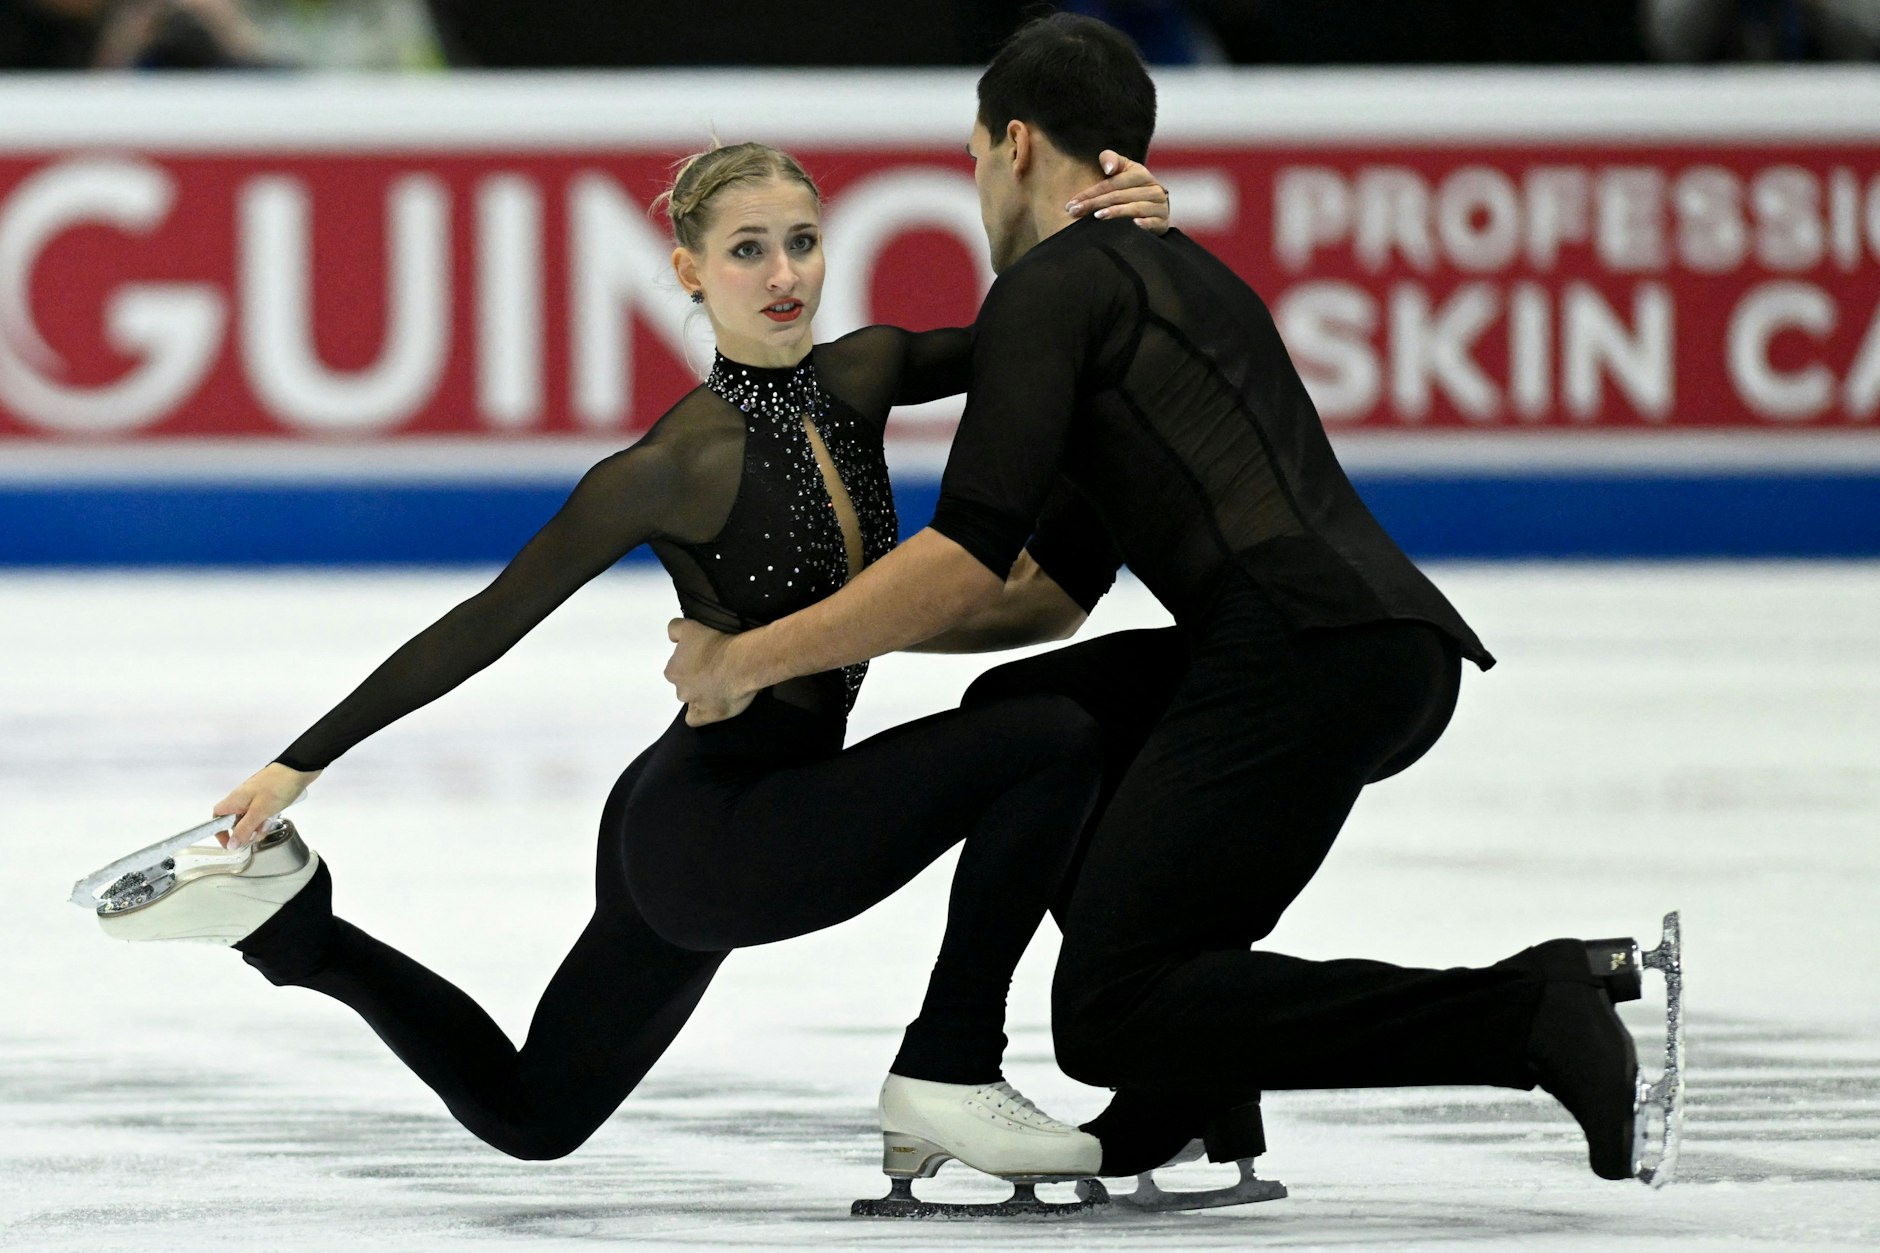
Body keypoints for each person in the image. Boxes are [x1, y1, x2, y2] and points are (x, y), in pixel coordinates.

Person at [664, 13, 1667, 1187]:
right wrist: (824, 636)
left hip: (1301, 648)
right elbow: (1045, 593)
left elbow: (963, 559)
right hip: (1363, 646)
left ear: (1015, 144)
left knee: (1109, 1008)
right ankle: (1190, 1083)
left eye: (974, 157)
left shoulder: (1051, 289)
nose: (975, 188)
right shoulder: (1160, 269)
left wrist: (752, 657)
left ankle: (1526, 1009)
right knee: (1036, 716)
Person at [87, 139, 1183, 1201]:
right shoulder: (670, 464)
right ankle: (952, 1061)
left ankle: (290, 926)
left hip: (724, 808)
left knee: (533, 1114)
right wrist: (299, 761)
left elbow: (1051, 332)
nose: (783, 274)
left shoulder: (869, 369)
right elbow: (489, 619)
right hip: (715, 828)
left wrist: (1132, 232)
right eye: (747, 250)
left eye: (801, 242)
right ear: (690, 272)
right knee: (1047, 738)